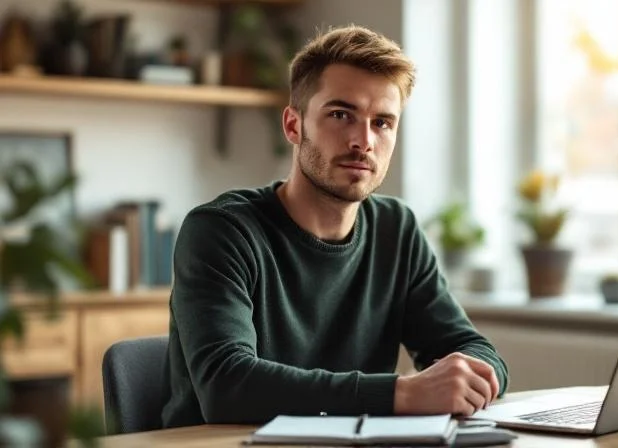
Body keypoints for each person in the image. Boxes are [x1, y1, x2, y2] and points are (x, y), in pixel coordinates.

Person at [161, 24, 509, 428]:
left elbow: (471, 348)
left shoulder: (396, 229)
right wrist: (400, 393)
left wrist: (474, 376)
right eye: (341, 115)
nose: (363, 140)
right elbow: (227, 387)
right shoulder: (222, 231)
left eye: (382, 122)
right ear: (294, 126)